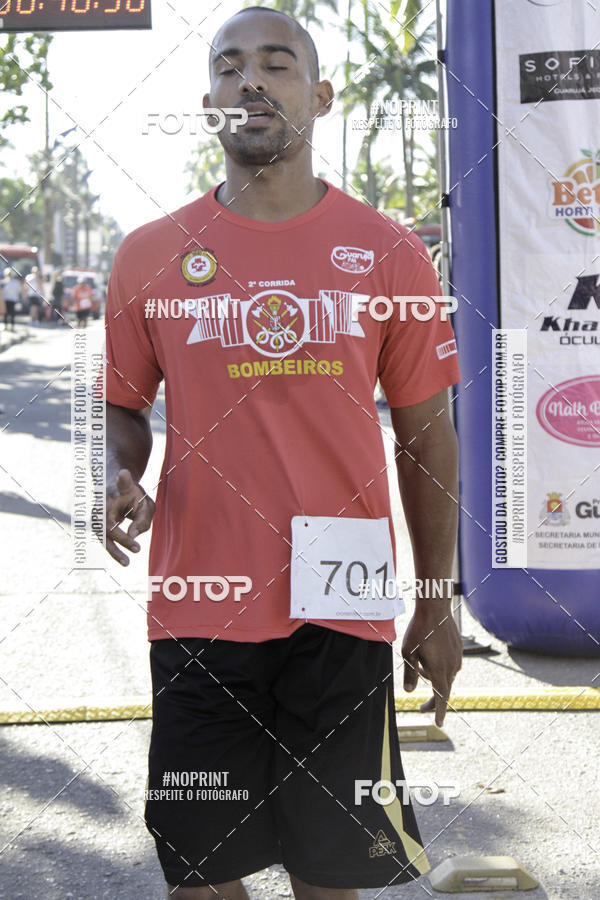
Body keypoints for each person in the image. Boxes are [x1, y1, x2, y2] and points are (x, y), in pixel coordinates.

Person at [103, 7, 461, 899]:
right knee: (199, 871)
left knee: (329, 874)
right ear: (209, 104)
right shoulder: (150, 256)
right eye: (230, 68)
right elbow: (120, 406)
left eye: (277, 63)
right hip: (200, 606)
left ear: (322, 95)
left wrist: (435, 600)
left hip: (342, 602)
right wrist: (116, 470)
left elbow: (427, 437)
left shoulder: (390, 252)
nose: (251, 81)